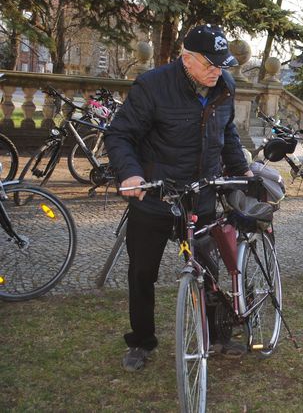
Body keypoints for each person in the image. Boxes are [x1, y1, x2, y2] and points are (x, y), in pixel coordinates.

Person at [104, 24, 253, 372]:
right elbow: (120, 134)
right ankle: (142, 340)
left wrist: (241, 171)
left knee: (211, 272)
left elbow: (226, 132)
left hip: (201, 196)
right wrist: (130, 173)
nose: (217, 71)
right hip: (157, 196)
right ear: (186, 59)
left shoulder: (224, 87)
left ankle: (218, 336)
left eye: (222, 64)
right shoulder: (153, 86)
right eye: (210, 64)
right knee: (142, 272)